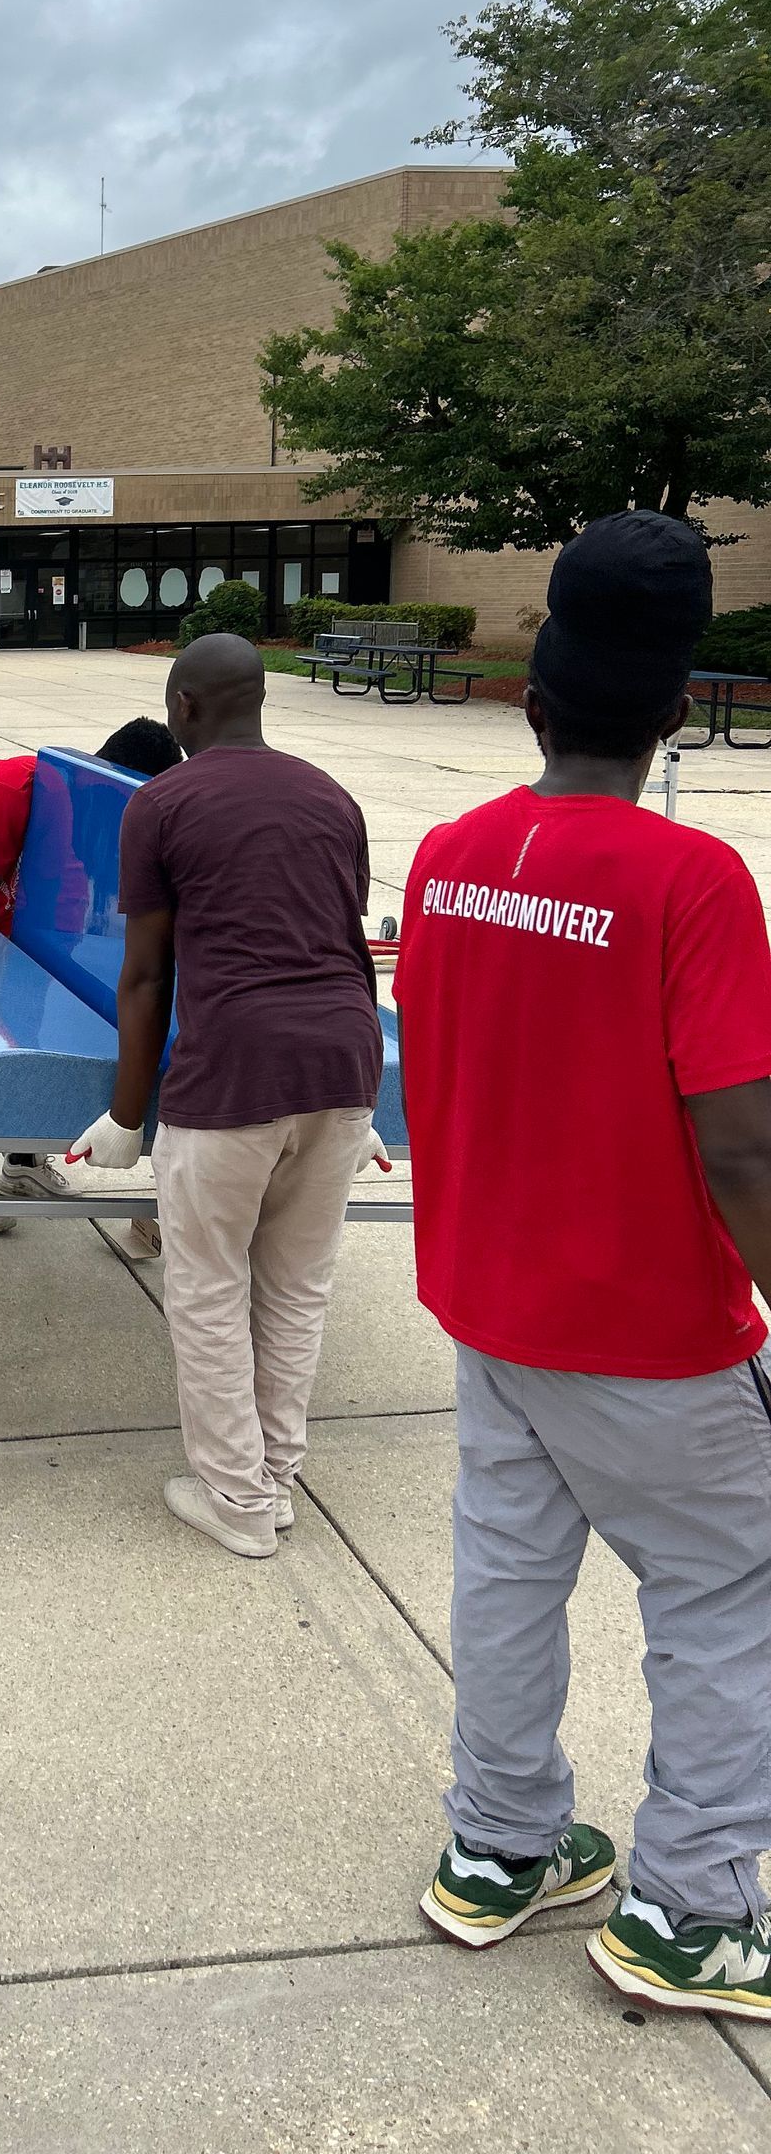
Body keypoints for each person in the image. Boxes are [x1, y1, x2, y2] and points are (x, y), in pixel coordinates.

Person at [396, 511, 771, 2017]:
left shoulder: (450, 858)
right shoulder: (694, 880)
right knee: (727, 1596)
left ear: (533, 699)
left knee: (507, 1573)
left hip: (492, 1305)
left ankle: (498, 1844)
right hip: (651, 1329)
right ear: (677, 706)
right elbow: (741, 1147)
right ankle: (693, 1907)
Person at [71, 637, 386, 1557]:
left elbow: (146, 975)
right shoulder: (333, 797)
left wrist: (125, 1116)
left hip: (234, 1074)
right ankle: (273, 1479)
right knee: (296, 1287)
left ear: (183, 706)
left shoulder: (161, 803)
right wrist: (357, 1107)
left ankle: (237, 1503)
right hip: (344, 1063)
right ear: (259, 701)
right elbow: (344, 946)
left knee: (208, 1288)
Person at [0, 718, 183, 1229]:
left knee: (33, 1014)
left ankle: (22, 1162)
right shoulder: (13, 785)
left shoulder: (96, 806)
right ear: (113, 775)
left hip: (9, 900)